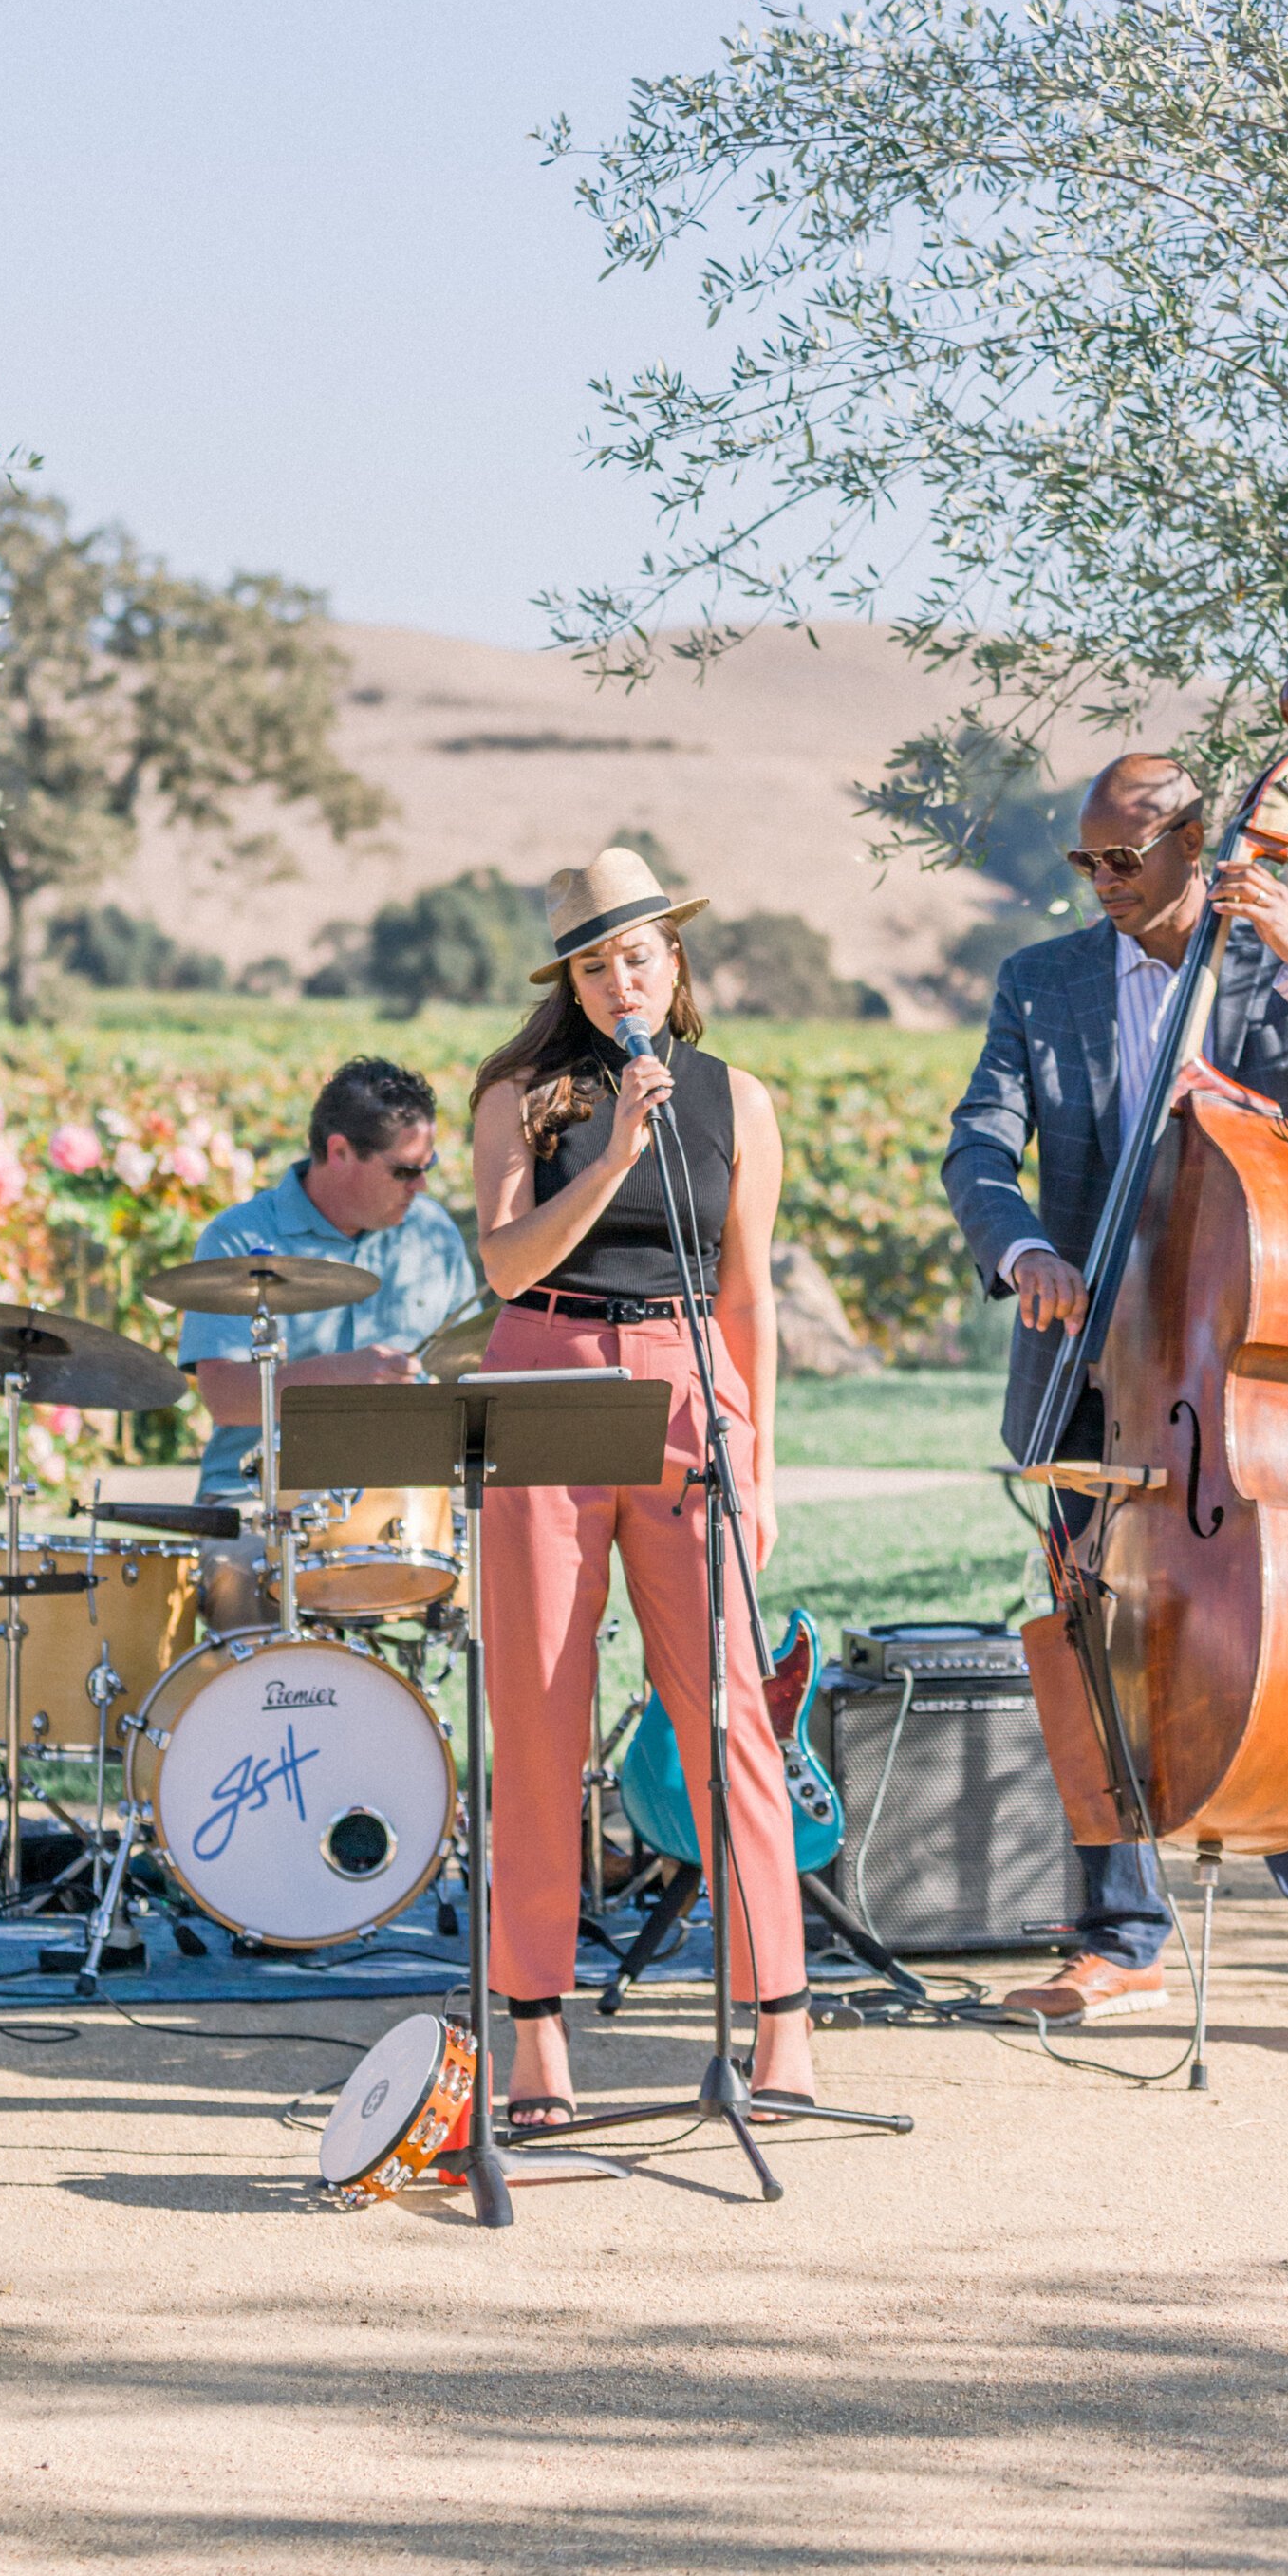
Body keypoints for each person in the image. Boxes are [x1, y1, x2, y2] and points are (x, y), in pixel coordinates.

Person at [943, 752, 1288, 2055]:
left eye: (1127, 860)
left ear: (1195, 843)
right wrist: (1019, 1249)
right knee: (1100, 1650)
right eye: (1086, 864)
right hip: (1089, 1369)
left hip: (1246, 1379)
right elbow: (978, 1147)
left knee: (1276, 1651)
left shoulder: (1281, 951)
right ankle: (1117, 1941)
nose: (1103, 884)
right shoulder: (1040, 981)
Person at [470, 847, 811, 2125]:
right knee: (543, 1715)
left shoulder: (739, 1100)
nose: (627, 974)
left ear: (676, 958)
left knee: (729, 1711)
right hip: (549, 1365)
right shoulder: (518, 1096)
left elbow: (749, 1290)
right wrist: (611, 1153)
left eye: (645, 949)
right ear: (572, 975)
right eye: (601, 958)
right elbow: (505, 1266)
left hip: (688, 1385)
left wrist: (761, 1460)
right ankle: (539, 2038)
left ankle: (781, 2018)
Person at [178, 1056, 477, 1519]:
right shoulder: (239, 1238)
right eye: (404, 1171)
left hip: (405, 1505)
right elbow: (225, 1399)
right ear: (339, 1152)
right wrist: (341, 1376)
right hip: (259, 1503)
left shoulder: (433, 1231)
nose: (420, 1186)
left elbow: (470, 1373)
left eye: (428, 1167)